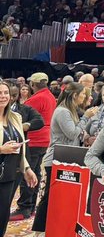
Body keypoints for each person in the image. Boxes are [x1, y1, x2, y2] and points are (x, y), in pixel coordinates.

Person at [31, 81, 90, 234]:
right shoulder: (63, 111)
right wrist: (86, 118)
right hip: (56, 159)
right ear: (75, 95)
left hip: (65, 157)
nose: (84, 97)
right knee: (50, 196)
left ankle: (52, 228)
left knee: (59, 197)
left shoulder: (69, 110)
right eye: (83, 94)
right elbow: (71, 133)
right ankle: (38, 231)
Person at [0, 80, 39, 237]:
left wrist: (27, 169)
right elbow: (6, 148)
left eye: (5, 92)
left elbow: (20, 147)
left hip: (9, 176)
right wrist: (1, 149)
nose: (3, 96)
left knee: (1, 220)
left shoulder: (15, 117)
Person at [18, 71, 55, 220]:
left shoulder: (35, 99)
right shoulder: (51, 97)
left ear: (32, 84)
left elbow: (23, 119)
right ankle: (32, 206)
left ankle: (24, 207)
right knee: (37, 173)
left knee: (27, 173)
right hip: (45, 139)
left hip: (33, 140)